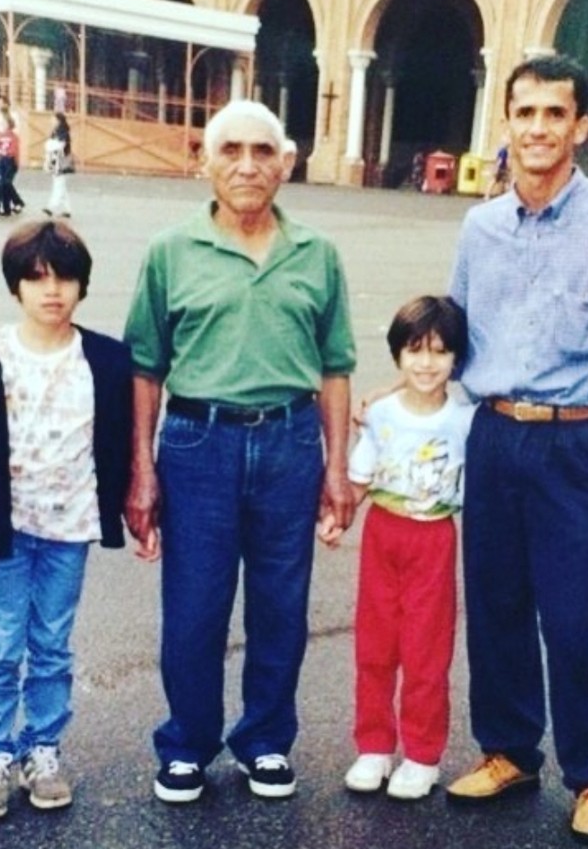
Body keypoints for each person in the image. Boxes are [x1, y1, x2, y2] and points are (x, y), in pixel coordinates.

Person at [444, 55, 588, 845]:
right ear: (505, 124)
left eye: (556, 114)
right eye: (526, 113)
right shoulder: (481, 227)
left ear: (579, 126)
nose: (539, 128)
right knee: (497, 605)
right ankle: (510, 749)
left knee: (577, 617)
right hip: (495, 433)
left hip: (580, 441)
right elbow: (454, 335)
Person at [123, 99, 357, 804]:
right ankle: (188, 742)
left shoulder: (317, 255)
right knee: (195, 605)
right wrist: (142, 467)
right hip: (199, 443)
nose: (248, 165)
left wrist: (337, 465)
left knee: (281, 605)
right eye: (232, 151)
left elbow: (335, 366)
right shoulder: (171, 252)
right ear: (206, 161)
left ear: (286, 162)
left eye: (263, 151)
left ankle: (264, 740)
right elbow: (145, 366)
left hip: (289, 442)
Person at [0, 220, 133, 820]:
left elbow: (121, 441)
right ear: (16, 286)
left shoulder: (104, 359)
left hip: (69, 529)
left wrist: (128, 505)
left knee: (51, 647)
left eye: (65, 277)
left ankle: (41, 749)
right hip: (8, 528)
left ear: (82, 285)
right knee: (1, 647)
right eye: (37, 277)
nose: (53, 291)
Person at [319, 296, 474, 801]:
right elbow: (360, 478)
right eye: (414, 351)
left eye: (439, 352)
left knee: (427, 651)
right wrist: (337, 518)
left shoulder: (466, 420)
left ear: (456, 358)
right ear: (397, 356)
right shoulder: (381, 414)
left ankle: (422, 754)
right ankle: (374, 746)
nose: (426, 364)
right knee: (375, 645)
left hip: (434, 537)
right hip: (385, 535)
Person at [0, 110, 24, 216]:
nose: (1, 125)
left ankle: (18, 202)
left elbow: (12, 151)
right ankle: (7, 208)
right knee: (3, 184)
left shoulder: (13, 136)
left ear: (8, 125)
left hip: (10, 162)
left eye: (3, 123)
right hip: (2, 161)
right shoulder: (1, 136)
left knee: (6, 183)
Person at [43, 112, 73, 218]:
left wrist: (50, 145)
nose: (51, 121)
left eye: (53, 119)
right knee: (61, 185)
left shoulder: (63, 133)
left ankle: (51, 207)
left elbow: (58, 146)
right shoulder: (56, 132)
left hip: (61, 162)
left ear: (58, 121)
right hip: (55, 161)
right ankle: (67, 209)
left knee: (58, 184)